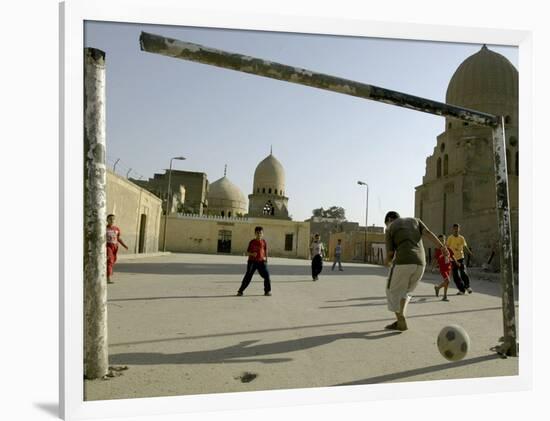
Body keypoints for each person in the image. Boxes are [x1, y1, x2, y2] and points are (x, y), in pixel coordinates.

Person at [384, 211, 447, 331]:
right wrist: (442, 247)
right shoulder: (416, 220)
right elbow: (428, 233)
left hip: (403, 262)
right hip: (420, 264)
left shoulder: (390, 227)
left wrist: (387, 261)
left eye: (386, 224)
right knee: (405, 292)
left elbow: (391, 253)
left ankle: (400, 318)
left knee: (390, 290)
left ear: (389, 220)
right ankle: (401, 318)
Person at [237, 226, 272, 296]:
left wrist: (266, 260)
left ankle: (267, 291)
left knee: (267, 276)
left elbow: (265, 251)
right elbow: (247, 252)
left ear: (263, 234)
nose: (259, 234)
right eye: (257, 233)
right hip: (252, 262)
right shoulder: (252, 242)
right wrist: (252, 254)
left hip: (261, 262)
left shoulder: (264, 242)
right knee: (248, 276)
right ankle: (240, 291)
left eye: (260, 233)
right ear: (255, 233)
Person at [447, 223, 474, 294]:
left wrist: (469, 252)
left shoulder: (461, 238)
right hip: (453, 259)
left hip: (461, 258)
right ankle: (462, 290)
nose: (456, 230)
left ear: (459, 229)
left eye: (457, 228)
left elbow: (465, 246)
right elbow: (447, 247)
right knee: (455, 276)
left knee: (463, 272)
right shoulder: (450, 238)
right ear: (453, 229)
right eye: (455, 228)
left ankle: (467, 287)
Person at [433, 235, 456, 302]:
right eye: (440, 240)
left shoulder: (448, 249)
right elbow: (435, 259)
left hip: (449, 268)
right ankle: (443, 294)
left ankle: (439, 290)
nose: (441, 241)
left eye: (442, 240)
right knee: (448, 281)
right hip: (443, 269)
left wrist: (456, 262)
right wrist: (433, 267)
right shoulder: (438, 250)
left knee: (447, 282)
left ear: (445, 241)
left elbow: (452, 256)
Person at [106, 214, 128, 284]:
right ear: (107, 220)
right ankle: (108, 278)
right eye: (110, 219)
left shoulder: (117, 229)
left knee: (113, 261)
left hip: (115, 247)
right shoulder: (104, 228)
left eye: (113, 219)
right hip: (108, 246)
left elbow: (118, 238)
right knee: (110, 261)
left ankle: (106, 273)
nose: (112, 220)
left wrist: (124, 245)